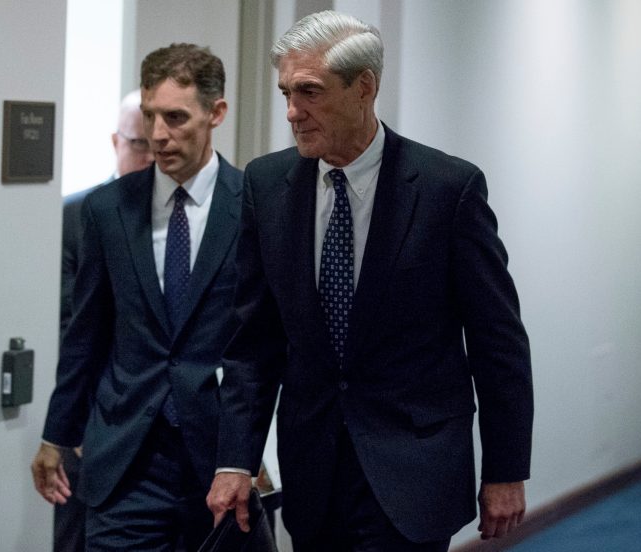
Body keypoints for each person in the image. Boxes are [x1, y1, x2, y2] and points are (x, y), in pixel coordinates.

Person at [206, 10, 533, 552]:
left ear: (365, 88)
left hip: (414, 468)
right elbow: (253, 343)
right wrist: (235, 459)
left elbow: (498, 342)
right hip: (314, 470)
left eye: (309, 92)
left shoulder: (447, 189)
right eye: (286, 92)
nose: (292, 112)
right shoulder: (267, 185)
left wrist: (505, 469)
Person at [32, 43, 242, 551]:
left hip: (214, 462)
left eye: (176, 117)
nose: (158, 135)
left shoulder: (253, 205)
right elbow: (86, 333)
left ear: (216, 114)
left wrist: (247, 453)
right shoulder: (107, 209)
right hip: (125, 460)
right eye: (150, 116)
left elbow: (263, 344)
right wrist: (56, 435)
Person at [55, 89, 153, 552]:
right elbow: (69, 328)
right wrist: (76, 420)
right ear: (116, 141)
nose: (150, 156)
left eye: (158, 146)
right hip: (94, 424)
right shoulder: (77, 215)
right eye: (138, 144)